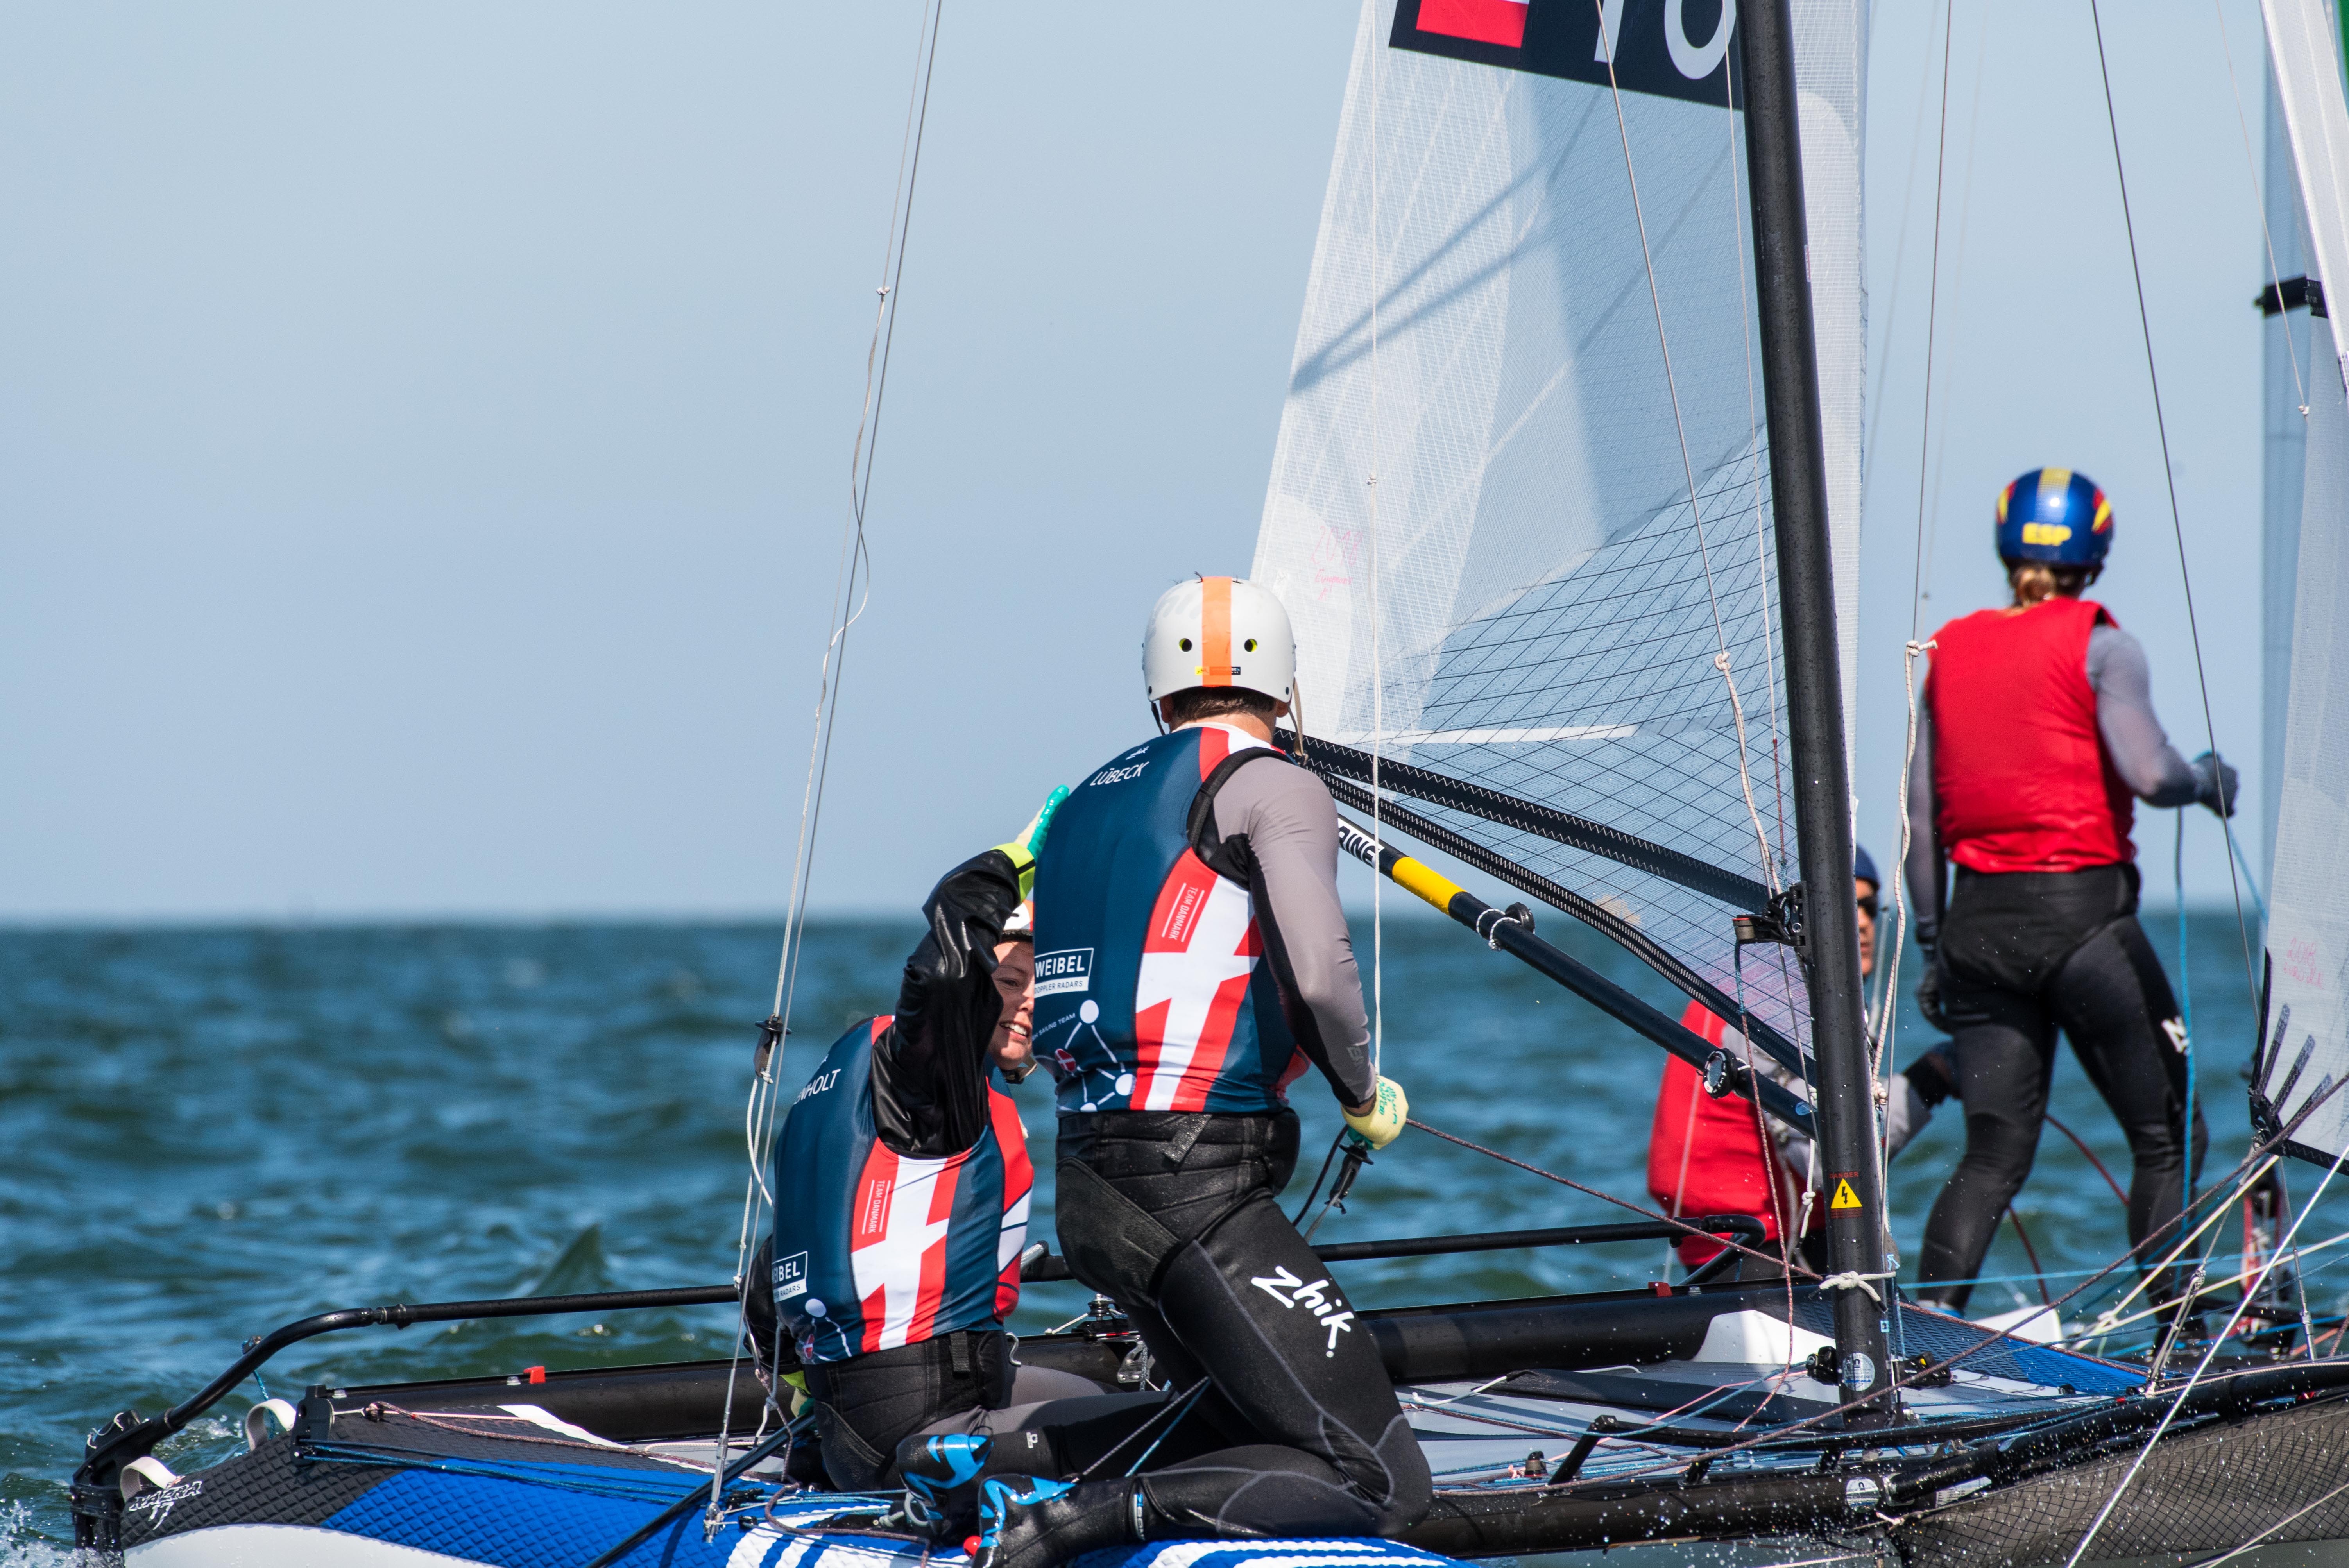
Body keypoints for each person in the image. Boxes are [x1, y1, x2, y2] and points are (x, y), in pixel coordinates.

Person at [960, 576, 1431, 1568]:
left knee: (1231, 1430)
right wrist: (1360, 1093)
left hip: (1090, 1187)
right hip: (1195, 1189)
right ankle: (1069, 1520)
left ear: (1157, 694)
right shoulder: (1275, 781)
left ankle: (973, 1466)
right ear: (1286, 689)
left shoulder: (1078, 804)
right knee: (1378, 1480)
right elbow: (1319, 976)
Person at [1906, 468, 2235, 1314]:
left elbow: (1920, 822)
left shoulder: (1946, 654)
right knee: (2169, 1137)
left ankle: (1923, 1338)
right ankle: (2177, 1344)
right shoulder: (2103, 646)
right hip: (2081, 923)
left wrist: (1934, 947)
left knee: (1992, 1154)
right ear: (2095, 554)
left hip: (1976, 929)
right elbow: (2149, 774)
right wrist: (2206, 779)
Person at [747, 813, 1140, 1493]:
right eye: (1011, 982)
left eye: (1043, 986)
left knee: (1096, 1394)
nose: (1031, 1005)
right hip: (925, 1427)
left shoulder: (861, 1078)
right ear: (977, 986)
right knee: (1173, 1428)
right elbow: (943, 973)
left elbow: (769, 1282)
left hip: (854, 1425)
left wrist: (810, 1394)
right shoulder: (931, 1081)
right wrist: (1007, 865)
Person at [1645, 848, 1955, 1278]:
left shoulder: (1753, 982)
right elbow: (1822, 1160)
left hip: (1758, 1239)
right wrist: (1932, 1079)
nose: (1862, 922)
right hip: (1757, 1247)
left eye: (1869, 907)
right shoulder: (1774, 999)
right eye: (1844, 908)